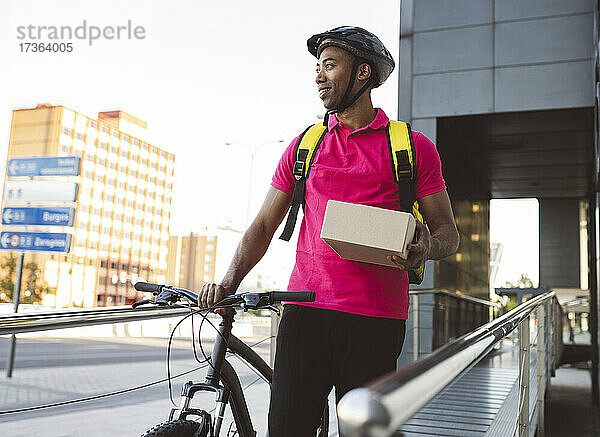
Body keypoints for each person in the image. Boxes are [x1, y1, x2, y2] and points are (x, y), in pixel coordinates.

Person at [199, 26, 460, 436]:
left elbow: (449, 233)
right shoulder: (306, 144)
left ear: (362, 73)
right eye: (318, 66)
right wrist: (228, 281)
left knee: (363, 431)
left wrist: (427, 245)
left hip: (375, 320)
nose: (319, 75)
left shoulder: (411, 147)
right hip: (305, 312)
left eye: (330, 65)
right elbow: (265, 223)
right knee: (287, 428)